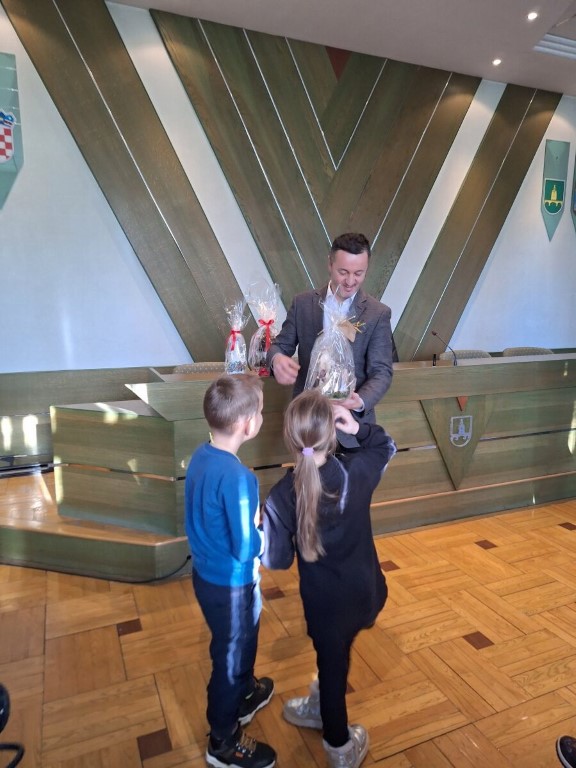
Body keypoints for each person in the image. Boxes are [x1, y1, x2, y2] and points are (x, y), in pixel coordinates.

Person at [261, 389, 396, 768]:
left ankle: (339, 747)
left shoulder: (280, 497)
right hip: (364, 593)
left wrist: (262, 529)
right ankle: (322, 704)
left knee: (333, 668)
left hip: (325, 608)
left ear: (289, 438)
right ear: (333, 433)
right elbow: (386, 447)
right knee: (337, 658)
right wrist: (358, 427)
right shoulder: (356, 472)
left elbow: (276, 560)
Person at [184, 374, 276, 768]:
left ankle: (244, 694)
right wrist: (264, 536)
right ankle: (223, 739)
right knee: (230, 658)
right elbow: (244, 546)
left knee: (238, 642)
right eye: (261, 411)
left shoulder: (201, 456)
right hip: (232, 585)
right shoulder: (241, 479)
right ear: (247, 424)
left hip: (208, 578)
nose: (261, 417)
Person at [267, 232, 395, 441]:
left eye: (359, 273)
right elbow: (279, 346)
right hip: (306, 423)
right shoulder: (303, 303)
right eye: (343, 272)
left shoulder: (377, 313)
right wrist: (276, 358)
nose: (350, 281)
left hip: (352, 426)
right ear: (330, 263)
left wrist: (360, 401)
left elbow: (382, 372)